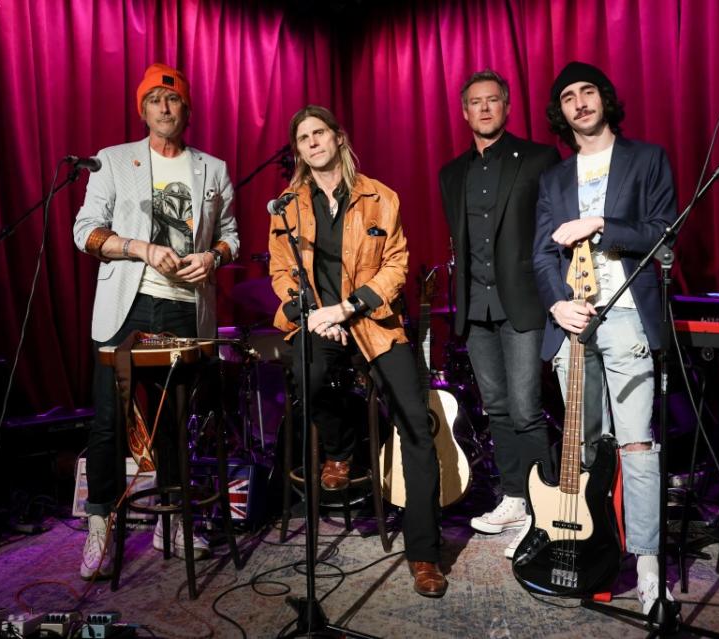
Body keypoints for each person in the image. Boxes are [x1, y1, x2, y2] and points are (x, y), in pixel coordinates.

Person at [268, 105, 446, 597]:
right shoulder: (286, 205)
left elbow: (396, 266)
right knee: (306, 369)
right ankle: (341, 451)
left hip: (371, 322)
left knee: (415, 421)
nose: (312, 142)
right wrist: (311, 314)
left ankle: (425, 555)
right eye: (303, 138)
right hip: (315, 323)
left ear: (338, 137)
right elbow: (282, 272)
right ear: (299, 150)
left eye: (319, 133)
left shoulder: (381, 197)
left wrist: (346, 310)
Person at [73, 63, 239, 580]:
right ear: (142, 108)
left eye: (173, 101)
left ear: (186, 110)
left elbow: (231, 235)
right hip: (127, 305)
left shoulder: (213, 168)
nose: (164, 109)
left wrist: (212, 257)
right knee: (108, 422)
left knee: (174, 423)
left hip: (186, 307)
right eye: (154, 101)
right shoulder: (112, 161)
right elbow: (86, 233)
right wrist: (140, 248)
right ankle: (101, 521)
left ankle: (174, 520)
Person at [533, 61, 677, 613]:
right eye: (568, 96)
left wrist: (599, 226)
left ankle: (647, 568)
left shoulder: (646, 159)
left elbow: (665, 233)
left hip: (627, 316)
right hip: (572, 321)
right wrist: (556, 303)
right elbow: (542, 254)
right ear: (561, 112)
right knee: (587, 449)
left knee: (636, 444)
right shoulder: (552, 178)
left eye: (588, 91)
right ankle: (595, 552)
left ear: (604, 99)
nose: (579, 102)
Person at [438, 70, 560, 558]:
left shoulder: (539, 158)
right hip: (475, 306)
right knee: (498, 409)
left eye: (493, 101)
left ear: (507, 107)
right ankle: (514, 498)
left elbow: (552, 229)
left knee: (529, 408)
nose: (484, 109)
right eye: (475, 102)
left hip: (523, 301)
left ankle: (546, 503)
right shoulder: (451, 173)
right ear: (464, 111)